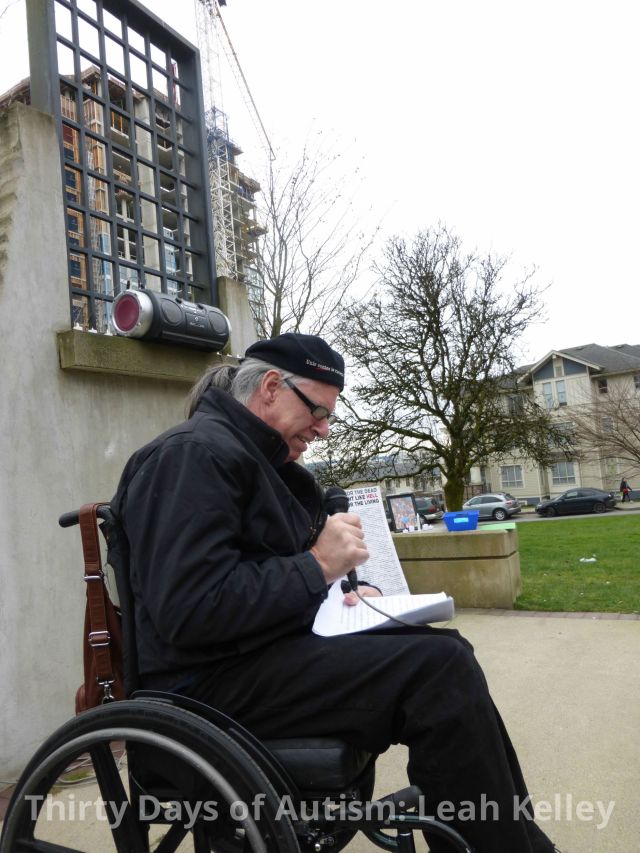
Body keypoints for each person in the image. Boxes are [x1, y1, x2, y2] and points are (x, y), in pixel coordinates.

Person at [112, 333, 561, 853]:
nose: (324, 430)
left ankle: (518, 842)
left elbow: (249, 580)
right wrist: (317, 566)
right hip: (201, 692)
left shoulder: (238, 459)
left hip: (245, 665)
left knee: (446, 651)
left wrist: (334, 593)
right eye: (318, 411)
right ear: (272, 387)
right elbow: (190, 610)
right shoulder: (191, 456)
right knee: (439, 670)